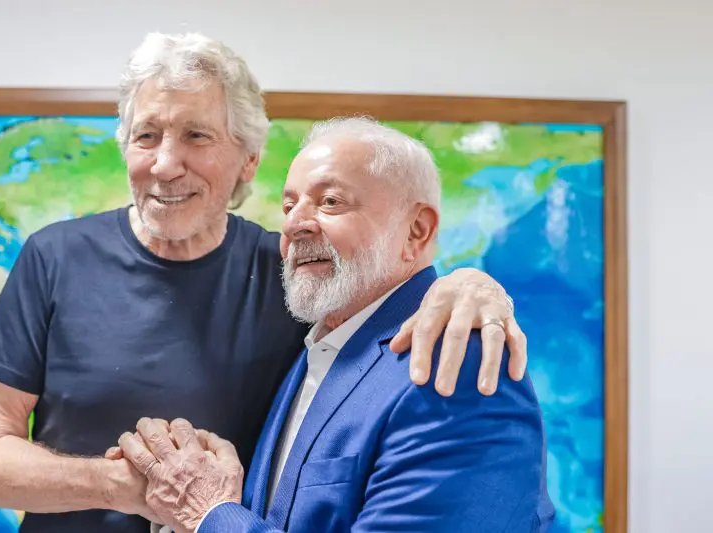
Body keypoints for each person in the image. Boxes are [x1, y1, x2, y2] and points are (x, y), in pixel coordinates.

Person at [0, 32, 528, 533]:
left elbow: (380, 292)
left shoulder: (292, 270)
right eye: (146, 136)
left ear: (248, 161)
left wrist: (470, 285)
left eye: (197, 136)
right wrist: (126, 485)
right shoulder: (55, 256)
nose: (165, 163)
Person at [118, 117, 554, 532]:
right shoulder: (321, 347)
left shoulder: (455, 366)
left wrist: (210, 514)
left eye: (330, 201)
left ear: (417, 231)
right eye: (289, 205)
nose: (294, 224)